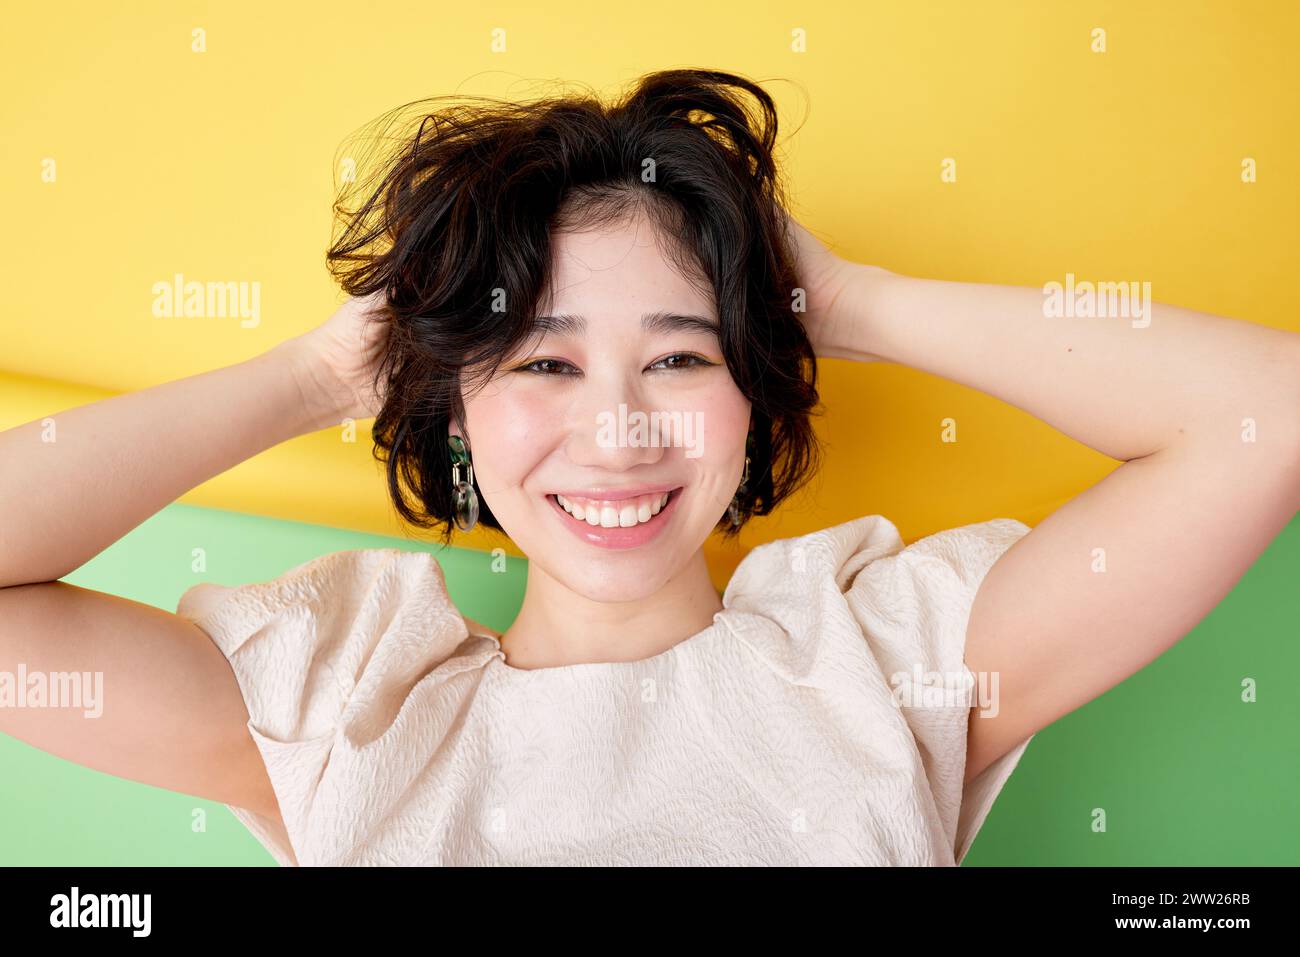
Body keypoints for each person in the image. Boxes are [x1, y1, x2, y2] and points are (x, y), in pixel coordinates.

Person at [1, 69, 1296, 866]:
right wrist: (324, 373)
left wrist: (850, 301)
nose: (617, 432)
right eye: (544, 364)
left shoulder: (879, 662)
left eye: (678, 360)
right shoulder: (351, 704)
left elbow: (1269, 416)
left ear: (755, 395)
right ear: (459, 405)